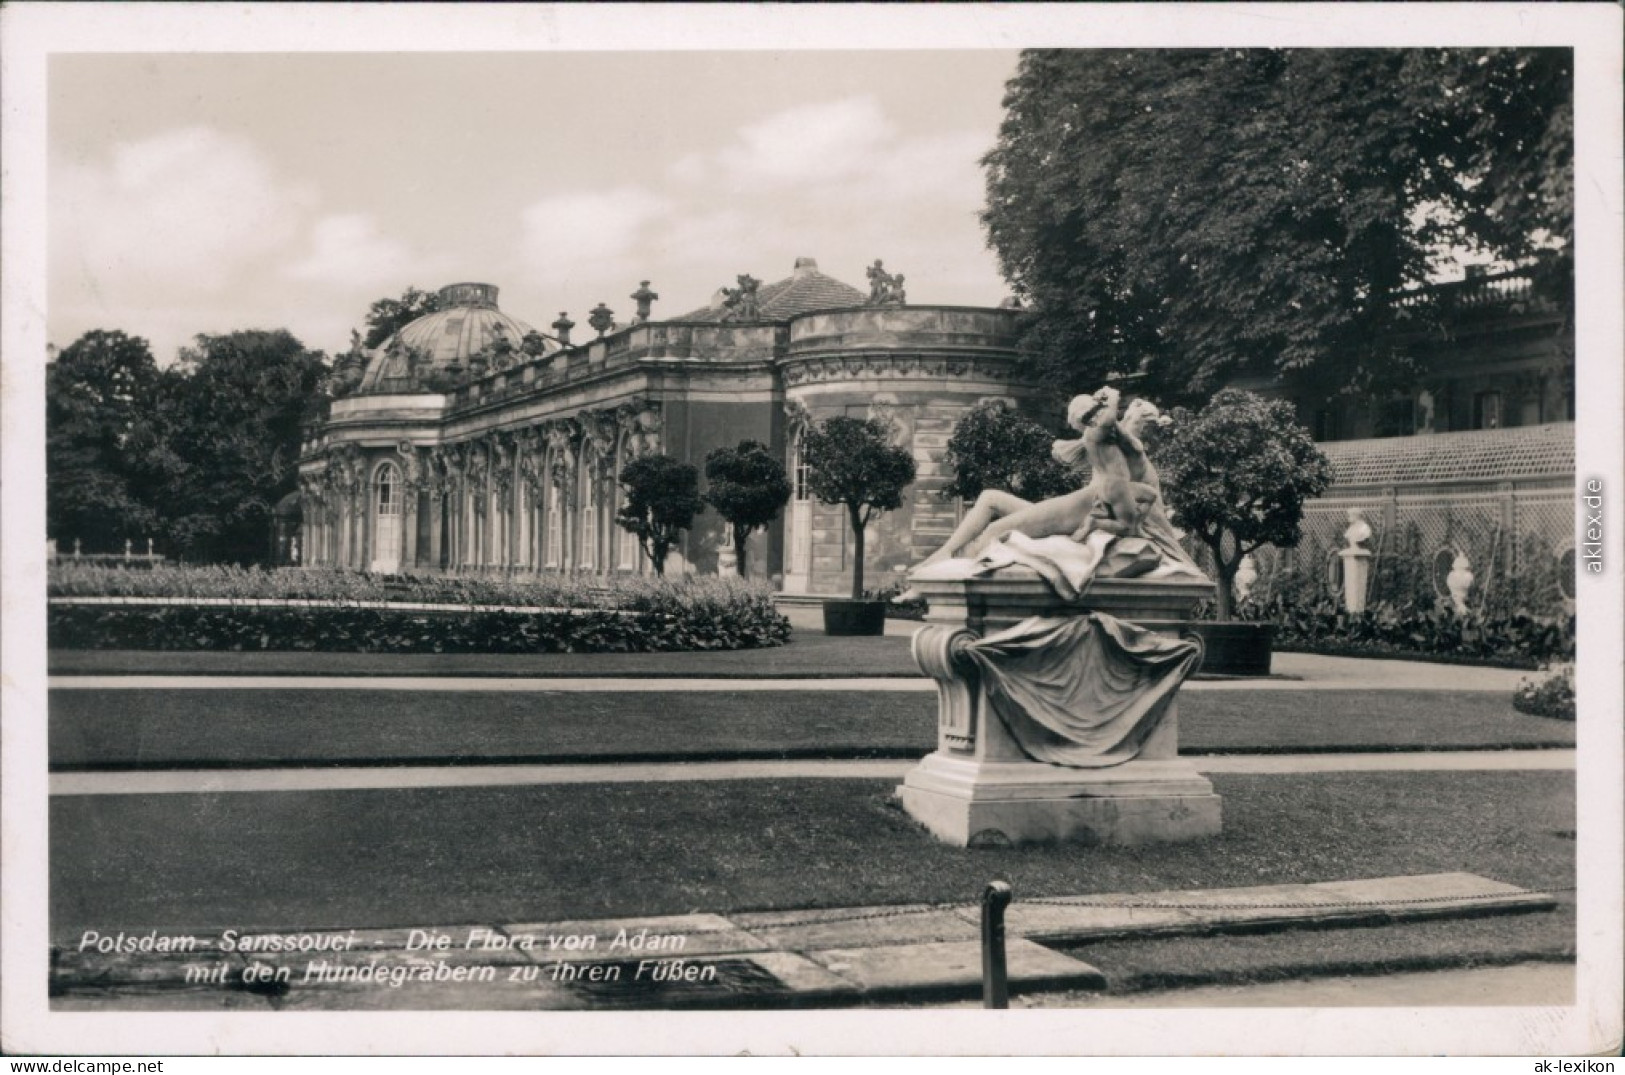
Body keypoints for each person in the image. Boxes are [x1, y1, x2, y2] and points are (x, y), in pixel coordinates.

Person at [913, 387, 1155, 568]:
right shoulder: (1098, 435)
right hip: (1072, 507)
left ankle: (945, 565)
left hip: (1075, 508)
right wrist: (1112, 395)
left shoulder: (1110, 438)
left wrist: (1122, 406)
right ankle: (946, 554)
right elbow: (1114, 422)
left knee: (995, 528)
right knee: (990, 501)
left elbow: (1121, 425)